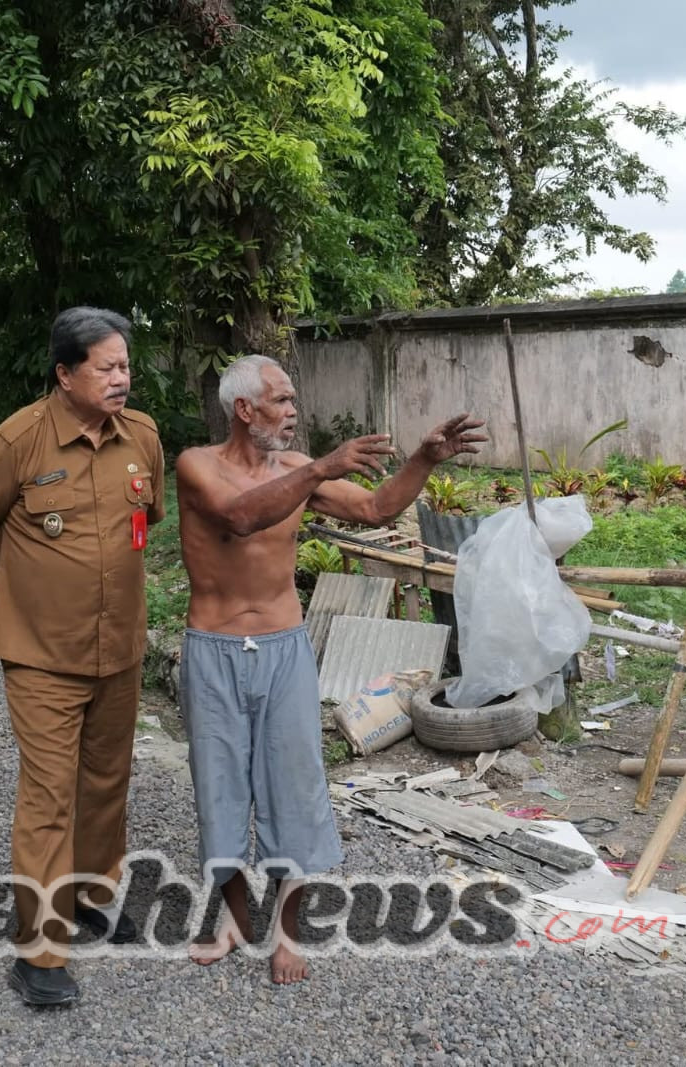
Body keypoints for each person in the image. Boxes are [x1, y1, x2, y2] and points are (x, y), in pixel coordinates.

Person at [174, 354, 485, 985]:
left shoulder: (296, 472)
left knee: (294, 789)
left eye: (292, 401)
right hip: (213, 649)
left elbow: (374, 509)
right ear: (244, 410)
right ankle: (236, 920)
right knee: (220, 789)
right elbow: (240, 517)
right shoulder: (195, 466)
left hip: (285, 647)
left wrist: (424, 459)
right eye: (282, 401)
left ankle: (286, 932)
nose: (293, 412)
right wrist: (321, 465)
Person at [0, 307, 166, 1007]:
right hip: (42, 655)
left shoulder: (142, 437)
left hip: (120, 646)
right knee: (48, 794)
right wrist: (29, 586)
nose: (121, 379)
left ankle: (93, 896)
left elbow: (144, 523)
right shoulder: (13, 441)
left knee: (106, 781)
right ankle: (39, 948)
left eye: (125, 365)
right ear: (65, 373)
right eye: (106, 367)